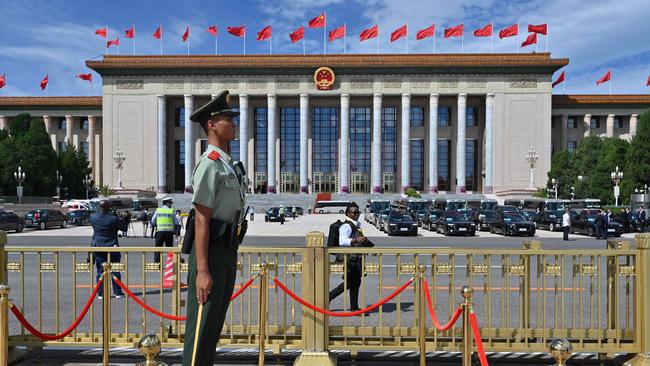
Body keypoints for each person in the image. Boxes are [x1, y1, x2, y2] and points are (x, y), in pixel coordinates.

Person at [182, 90, 248, 366]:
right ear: (211, 124)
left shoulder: (227, 164)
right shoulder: (210, 164)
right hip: (211, 253)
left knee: (213, 326)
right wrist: (203, 269)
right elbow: (201, 219)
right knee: (201, 327)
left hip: (226, 250)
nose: (233, 124)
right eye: (227, 119)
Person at [329, 202, 371, 311]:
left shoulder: (356, 225)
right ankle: (329, 297)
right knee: (352, 282)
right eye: (354, 212)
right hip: (350, 259)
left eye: (358, 212)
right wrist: (355, 240)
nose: (357, 214)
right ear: (348, 213)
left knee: (354, 282)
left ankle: (353, 307)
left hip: (356, 258)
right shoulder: (347, 225)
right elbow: (342, 241)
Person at [90, 200, 127, 299]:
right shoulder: (113, 219)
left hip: (99, 246)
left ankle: (101, 293)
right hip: (112, 246)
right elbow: (124, 228)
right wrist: (123, 218)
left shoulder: (93, 217)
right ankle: (118, 292)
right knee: (115, 270)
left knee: (100, 271)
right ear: (108, 208)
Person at [151, 197, 180, 263]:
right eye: (170, 203)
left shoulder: (158, 210)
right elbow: (176, 222)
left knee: (158, 247)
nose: (171, 204)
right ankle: (171, 261)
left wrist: (156, 224)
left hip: (160, 232)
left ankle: (157, 261)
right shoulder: (171, 211)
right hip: (169, 232)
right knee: (170, 247)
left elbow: (152, 221)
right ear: (167, 203)